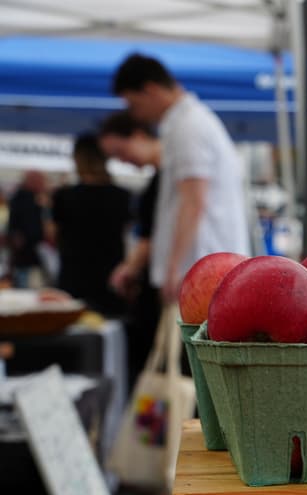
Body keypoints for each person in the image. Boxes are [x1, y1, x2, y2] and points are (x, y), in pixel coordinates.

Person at [111, 52, 249, 307]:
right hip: (203, 270)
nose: (135, 114)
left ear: (151, 90)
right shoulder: (186, 124)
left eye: (133, 104)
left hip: (203, 273)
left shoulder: (189, 126)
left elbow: (193, 202)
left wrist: (174, 268)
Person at [98, 111, 163, 392]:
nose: (122, 160)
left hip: (160, 291)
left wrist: (128, 269)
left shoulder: (165, 180)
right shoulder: (162, 178)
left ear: (138, 135)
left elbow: (150, 238)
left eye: (120, 152)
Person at [48, 134, 133, 317]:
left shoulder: (64, 196)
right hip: (110, 276)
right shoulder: (122, 196)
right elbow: (127, 232)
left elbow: (51, 234)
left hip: (73, 275)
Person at [6, 170, 51, 289]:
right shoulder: (23, 198)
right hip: (26, 249)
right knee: (26, 282)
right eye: (41, 181)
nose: (43, 184)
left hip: (30, 249)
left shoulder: (27, 197)